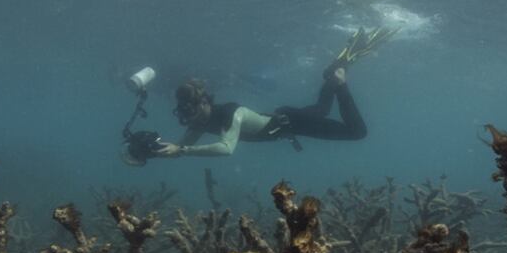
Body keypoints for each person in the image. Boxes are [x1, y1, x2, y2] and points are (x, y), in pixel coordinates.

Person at [120, 27, 397, 165]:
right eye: (184, 111)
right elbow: (179, 150)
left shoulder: (231, 112)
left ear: (205, 101)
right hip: (284, 119)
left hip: (291, 122)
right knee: (322, 109)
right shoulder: (198, 122)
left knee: (356, 132)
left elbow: (226, 149)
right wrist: (153, 149)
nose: (188, 116)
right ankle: (334, 74)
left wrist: (183, 149)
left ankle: (339, 80)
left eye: (191, 109)